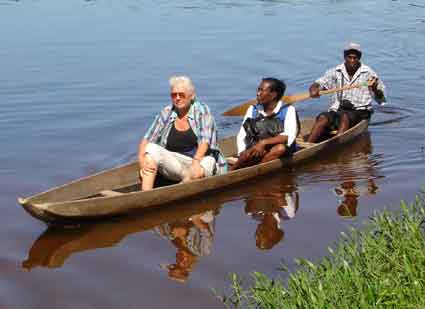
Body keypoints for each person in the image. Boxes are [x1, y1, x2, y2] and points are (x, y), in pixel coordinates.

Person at [138, 76, 227, 191]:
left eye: (181, 94)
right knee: (150, 150)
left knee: (205, 164)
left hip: (199, 160)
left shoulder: (202, 111)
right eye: (174, 95)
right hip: (177, 165)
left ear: (192, 95)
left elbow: (205, 142)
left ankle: (180, 186)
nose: (178, 98)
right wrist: (142, 162)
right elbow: (147, 139)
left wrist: (195, 162)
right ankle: (146, 195)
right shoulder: (167, 112)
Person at [307, 42, 386, 143]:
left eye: (355, 57)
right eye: (349, 57)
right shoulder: (336, 71)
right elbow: (320, 83)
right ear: (345, 57)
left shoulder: (368, 73)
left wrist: (374, 88)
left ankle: (337, 144)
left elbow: (381, 99)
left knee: (345, 117)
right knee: (323, 118)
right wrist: (314, 88)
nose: (352, 61)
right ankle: (307, 145)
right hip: (338, 110)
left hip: (360, 111)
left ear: (359, 58)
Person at [230, 78, 298, 171]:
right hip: (257, 147)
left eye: (262, 90)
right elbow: (243, 134)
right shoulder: (253, 109)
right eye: (258, 89)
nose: (258, 93)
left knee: (280, 148)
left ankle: (252, 169)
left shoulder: (288, 110)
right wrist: (241, 151)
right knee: (247, 153)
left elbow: (288, 136)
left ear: (273, 95)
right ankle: (235, 169)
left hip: (280, 148)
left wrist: (263, 143)